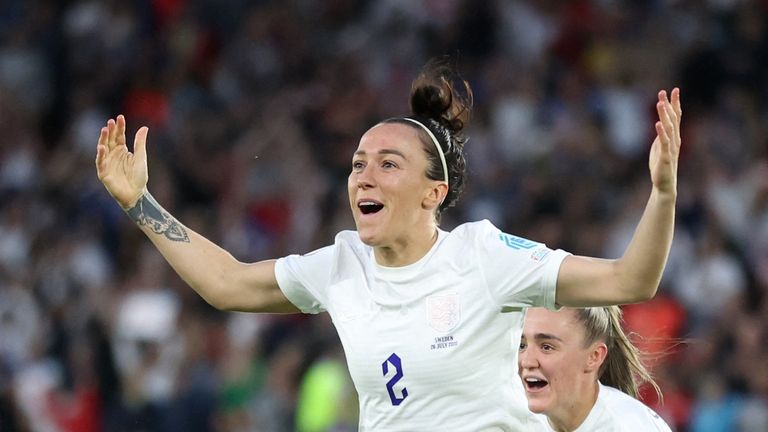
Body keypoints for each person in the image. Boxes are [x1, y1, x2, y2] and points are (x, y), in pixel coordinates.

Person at [95, 59, 682, 430]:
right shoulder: (342, 265)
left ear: (434, 192)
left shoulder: (482, 256)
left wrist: (661, 190)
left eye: (388, 164)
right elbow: (225, 283)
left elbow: (632, 281)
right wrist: (139, 203)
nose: (363, 177)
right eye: (357, 165)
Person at [519, 306, 673, 431]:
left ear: (594, 356)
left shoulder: (627, 426)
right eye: (522, 345)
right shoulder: (515, 419)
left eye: (546, 347)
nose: (526, 361)